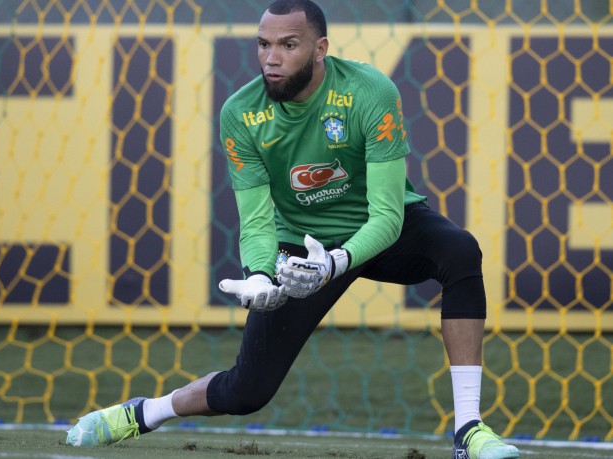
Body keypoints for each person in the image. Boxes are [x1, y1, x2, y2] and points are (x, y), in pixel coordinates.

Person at [66, 1, 519, 457]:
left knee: (459, 251)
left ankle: (468, 429)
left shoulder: (370, 92)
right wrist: (262, 273)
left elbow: (387, 214)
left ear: (320, 48)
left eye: (288, 44)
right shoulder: (240, 113)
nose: (271, 58)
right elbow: (258, 218)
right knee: (247, 392)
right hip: (302, 246)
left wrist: (337, 262)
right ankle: (143, 413)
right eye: (263, 44)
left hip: (380, 229)